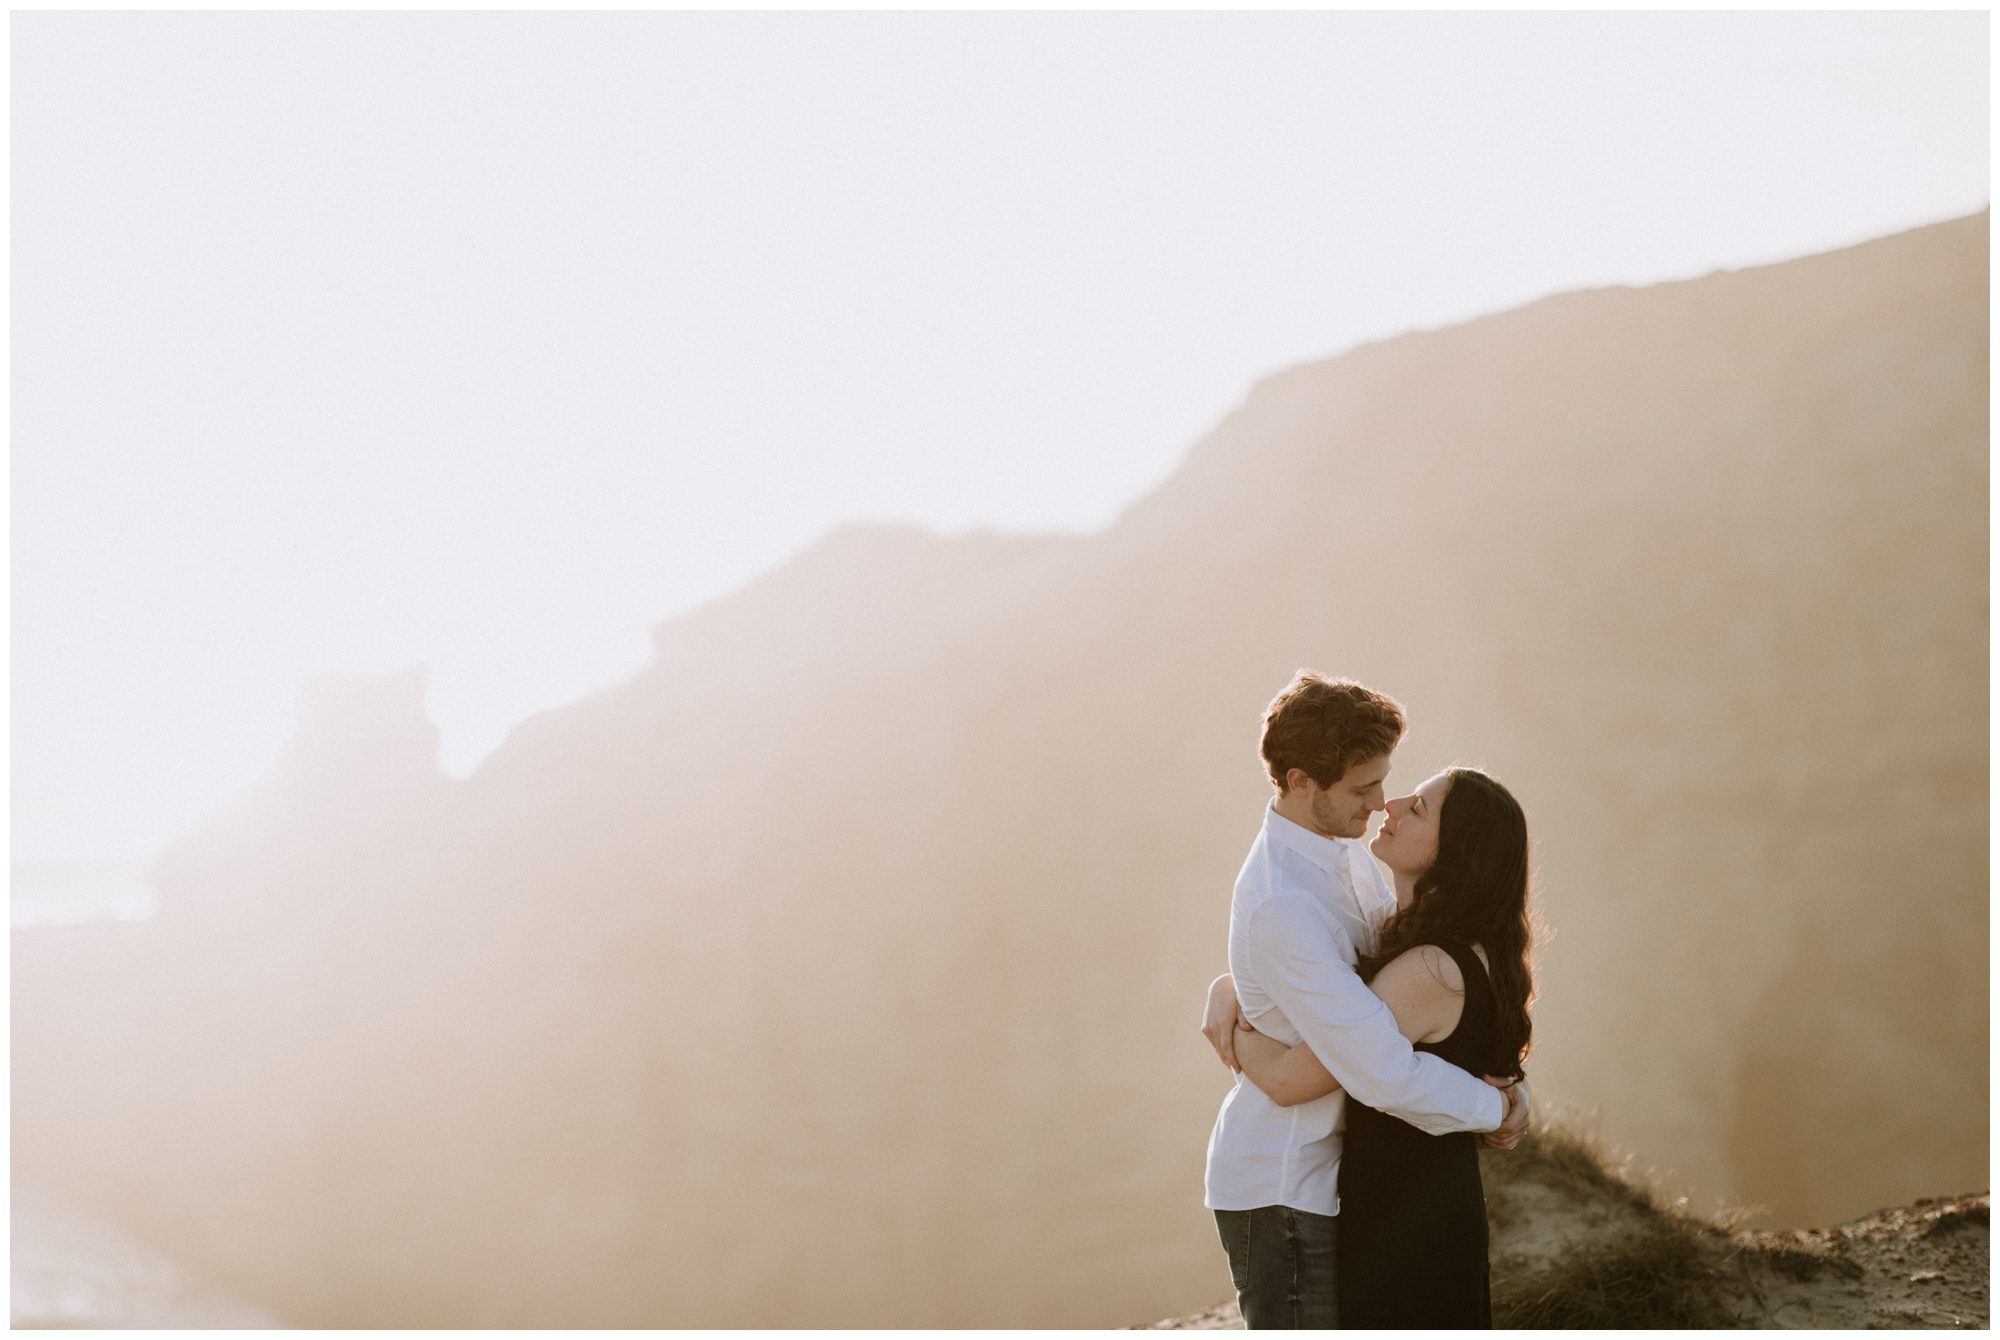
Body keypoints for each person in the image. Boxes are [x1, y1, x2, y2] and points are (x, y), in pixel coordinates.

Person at [1202, 671, 1530, 1329]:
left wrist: (1231, 990)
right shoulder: (1285, 904)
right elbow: (1380, 1065)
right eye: (1363, 788)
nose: (1382, 803)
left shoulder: (1342, 851)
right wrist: (1493, 1106)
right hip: (1285, 1184)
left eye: (1384, 780)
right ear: (1301, 783)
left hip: (1337, 1176)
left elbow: (1394, 990)